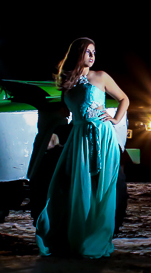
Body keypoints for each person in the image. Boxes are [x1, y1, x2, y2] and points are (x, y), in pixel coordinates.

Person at [34, 37, 129, 258]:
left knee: (100, 188)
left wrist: (115, 119)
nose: (92, 56)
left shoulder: (101, 76)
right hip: (79, 138)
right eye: (88, 52)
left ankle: (95, 239)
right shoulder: (68, 82)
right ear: (78, 54)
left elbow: (124, 98)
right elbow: (66, 111)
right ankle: (74, 235)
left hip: (101, 136)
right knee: (74, 186)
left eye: (94, 52)